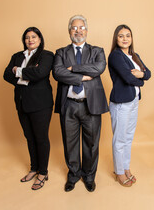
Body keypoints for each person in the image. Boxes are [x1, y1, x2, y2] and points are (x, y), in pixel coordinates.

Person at [53, 15, 109, 192]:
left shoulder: (97, 51)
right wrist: (82, 76)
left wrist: (73, 69)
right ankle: (74, 174)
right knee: (70, 143)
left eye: (81, 27)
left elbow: (99, 68)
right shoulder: (61, 52)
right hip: (68, 104)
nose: (78, 31)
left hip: (90, 104)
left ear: (87, 30)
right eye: (74, 28)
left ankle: (89, 176)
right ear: (69, 31)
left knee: (91, 143)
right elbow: (58, 72)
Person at [3, 27, 54, 190]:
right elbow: (6, 74)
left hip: (41, 104)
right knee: (29, 137)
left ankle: (43, 172)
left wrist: (18, 70)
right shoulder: (17, 56)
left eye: (34, 36)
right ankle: (34, 168)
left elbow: (40, 73)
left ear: (40, 39)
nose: (30, 40)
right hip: (21, 102)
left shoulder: (47, 55)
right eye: (27, 37)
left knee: (41, 138)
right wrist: (26, 74)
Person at [108, 24, 151, 187]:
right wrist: (141, 78)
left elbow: (149, 73)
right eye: (121, 36)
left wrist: (142, 74)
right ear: (116, 38)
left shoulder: (135, 55)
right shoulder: (115, 56)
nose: (125, 39)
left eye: (128, 35)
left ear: (131, 38)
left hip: (133, 101)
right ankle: (119, 171)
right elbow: (128, 78)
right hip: (120, 103)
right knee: (119, 139)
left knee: (128, 138)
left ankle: (125, 167)